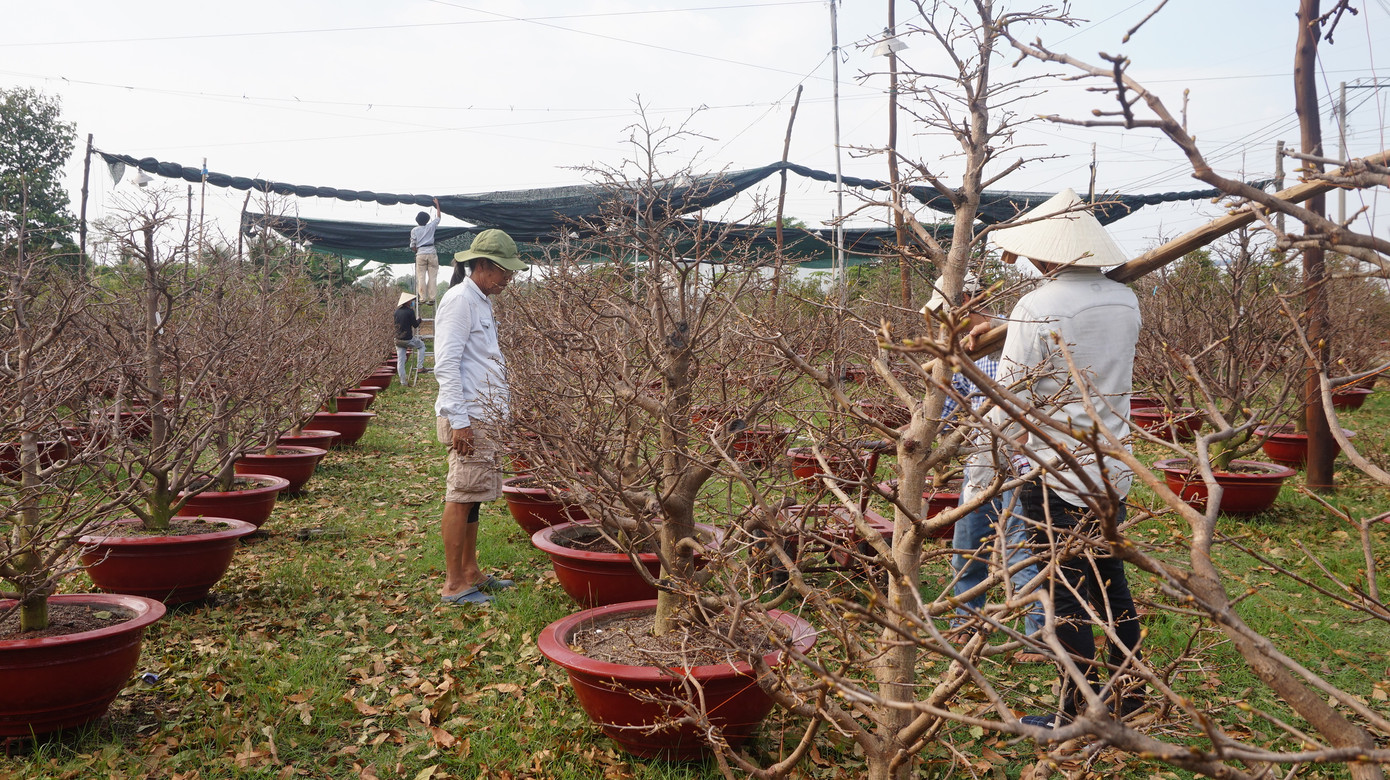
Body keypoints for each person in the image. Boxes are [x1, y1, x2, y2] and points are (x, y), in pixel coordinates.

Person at [985, 188, 1144, 728]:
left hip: (1055, 469)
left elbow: (1011, 399)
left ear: (1050, 253)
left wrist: (987, 466)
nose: (1029, 260)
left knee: (1064, 591)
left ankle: (1079, 706)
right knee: (1108, 578)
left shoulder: (1038, 305)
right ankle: (1131, 689)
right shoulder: (1125, 299)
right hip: (1112, 464)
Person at [925, 276, 1044, 654]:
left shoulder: (1020, 330)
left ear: (965, 300)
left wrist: (998, 335)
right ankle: (967, 619)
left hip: (1026, 455)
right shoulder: (960, 351)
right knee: (967, 539)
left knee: (1021, 544)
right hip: (981, 457)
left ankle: (1036, 633)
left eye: (947, 311)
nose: (945, 320)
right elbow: (944, 410)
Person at [433, 229, 528, 605]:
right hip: (469, 415)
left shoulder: (481, 300)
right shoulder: (459, 301)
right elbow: (446, 364)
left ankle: (471, 572)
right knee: (460, 494)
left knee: (473, 496)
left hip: (483, 415)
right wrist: (460, 421)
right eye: (504, 270)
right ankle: (454, 584)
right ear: (484, 265)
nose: (508, 278)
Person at [411, 197, 443, 305]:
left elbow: (413, 245)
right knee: (432, 276)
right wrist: (437, 204)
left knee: (421, 277)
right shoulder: (431, 226)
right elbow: (438, 217)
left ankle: (422, 298)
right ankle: (432, 298)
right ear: (427, 219)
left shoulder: (414, 230)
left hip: (420, 253)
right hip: (432, 252)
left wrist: (417, 251)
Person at [393, 292, 426, 387]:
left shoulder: (396, 312)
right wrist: (419, 319)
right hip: (408, 339)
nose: (412, 302)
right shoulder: (410, 311)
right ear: (407, 302)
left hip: (398, 339)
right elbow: (415, 325)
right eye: (411, 301)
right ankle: (420, 367)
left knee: (401, 360)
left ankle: (403, 382)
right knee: (421, 346)